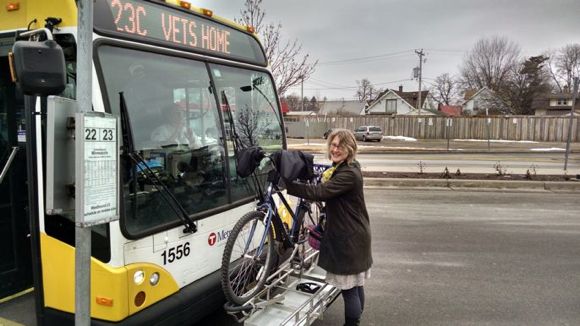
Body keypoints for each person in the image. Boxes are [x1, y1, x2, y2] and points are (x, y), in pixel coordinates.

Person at [284, 129, 373, 326]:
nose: (335, 149)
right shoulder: (344, 167)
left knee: (349, 290)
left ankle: (352, 323)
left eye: (340, 146)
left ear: (350, 148)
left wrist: (289, 185)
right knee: (356, 285)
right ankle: (356, 320)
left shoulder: (348, 174)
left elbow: (321, 192)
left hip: (348, 239)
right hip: (355, 234)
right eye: (332, 145)